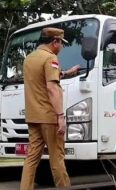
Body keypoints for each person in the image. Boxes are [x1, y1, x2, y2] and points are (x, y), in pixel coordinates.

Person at [20, 27, 79, 190]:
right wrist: (61, 116)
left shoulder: (29, 59)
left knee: (31, 159)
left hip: (33, 117)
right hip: (49, 119)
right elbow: (52, 88)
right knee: (57, 160)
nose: (61, 47)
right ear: (55, 42)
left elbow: (43, 76)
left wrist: (67, 73)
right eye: (61, 43)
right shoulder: (50, 58)